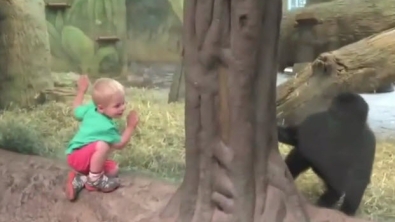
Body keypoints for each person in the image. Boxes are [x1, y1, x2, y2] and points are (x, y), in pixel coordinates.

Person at [64, 75, 139, 201]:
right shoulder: (106, 127)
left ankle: (81, 179)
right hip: (77, 157)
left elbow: (76, 110)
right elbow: (120, 144)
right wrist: (131, 126)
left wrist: (81, 91)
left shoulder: (91, 108)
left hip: (81, 157)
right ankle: (94, 181)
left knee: (113, 170)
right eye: (117, 106)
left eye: (123, 103)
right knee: (102, 145)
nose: (123, 108)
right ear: (101, 107)